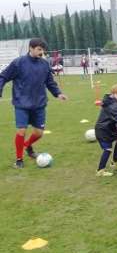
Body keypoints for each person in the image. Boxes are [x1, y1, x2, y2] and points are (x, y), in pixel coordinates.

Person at [0, 38, 68, 169]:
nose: (42, 52)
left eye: (43, 50)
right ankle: (19, 159)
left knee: (39, 133)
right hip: (22, 104)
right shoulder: (18, 63)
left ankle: (27, 146)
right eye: (39, 49)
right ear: (30, 48)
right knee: (21, 130)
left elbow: (49, 82)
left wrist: (58, 93)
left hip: (39, 104)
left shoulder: (44, 64)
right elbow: (3, 76)